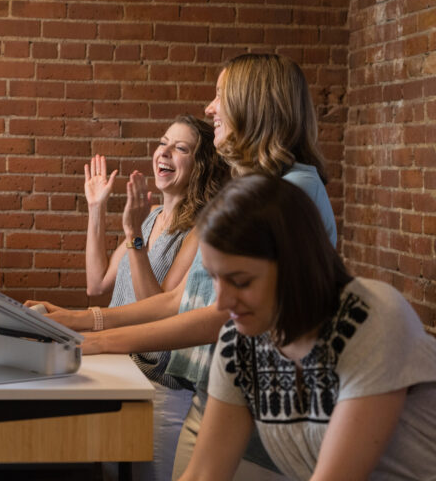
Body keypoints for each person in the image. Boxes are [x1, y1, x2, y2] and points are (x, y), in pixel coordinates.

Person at [29, 53, 337, 480]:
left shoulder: (292, 191)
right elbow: (182, 299)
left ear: (254, 105)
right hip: (220, 399)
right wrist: (78, 320)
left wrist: (93, 341)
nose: (211, 109)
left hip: (267, 423)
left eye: (219, 96)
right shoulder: (253, 189)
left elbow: (219, 315)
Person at [179, 174, 436, 481]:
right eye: (214, 278)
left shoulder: (370, 317)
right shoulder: (240, 344)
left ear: (295, 265)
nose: (222, 302)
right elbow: (203, 474)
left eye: (241, 281)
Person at [82, 116, 229, 481]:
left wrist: (133, 237)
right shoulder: (150, 218)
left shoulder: (200, 229)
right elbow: (97, 282)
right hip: (119, 372)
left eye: (180, 148)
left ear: (201, 165)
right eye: (163, 143)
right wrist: (97, 209)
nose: (163, 152)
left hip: (159, 390)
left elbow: (161, 311)